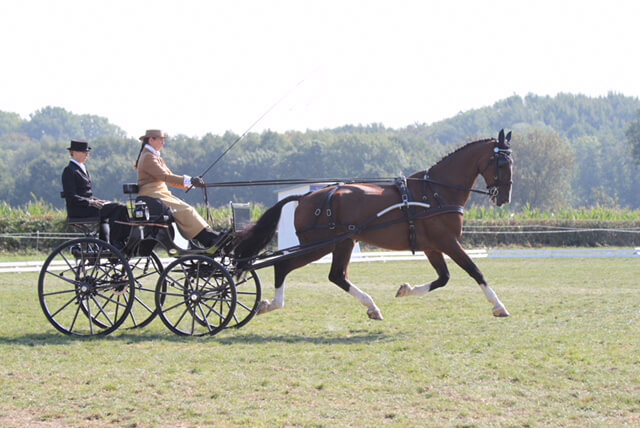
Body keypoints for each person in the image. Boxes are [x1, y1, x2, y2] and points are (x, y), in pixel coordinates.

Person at [134, 129, 218, 247]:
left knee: (187, 208)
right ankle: (208, 238)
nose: (163, 143)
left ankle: (209, 235)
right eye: (161, 140)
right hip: (152, 194)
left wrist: (191, 183)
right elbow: (165, 176)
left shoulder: (154, 156)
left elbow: (169, 177)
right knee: (185, 209)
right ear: (151, 140)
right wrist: (190, 181)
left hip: (159, 193)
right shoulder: (148, 157)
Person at [61, 140, 130, 249]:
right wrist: (90, 202)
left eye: (88, 152)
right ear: (74, 152)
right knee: (119, 208)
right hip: (79, 209)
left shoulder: (82, 169)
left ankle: (107, 244)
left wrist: (97, 201)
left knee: (119, 207)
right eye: (84, 152)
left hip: (88, 206)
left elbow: (86, 194)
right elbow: (71, 196)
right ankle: (116, 242)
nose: (87, 155)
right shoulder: (69, 171)